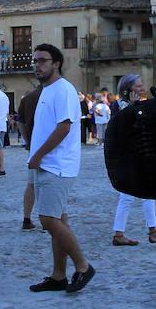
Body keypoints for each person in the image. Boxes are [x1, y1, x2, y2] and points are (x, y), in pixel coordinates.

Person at [27, 44, 95, 294]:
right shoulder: (47, 90)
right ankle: (58, 275)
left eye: (43, 60)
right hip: (47, 164)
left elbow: (64, 127)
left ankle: (83, 266)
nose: (38, 65)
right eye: (35, 61)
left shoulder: (63, 89)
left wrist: (39, 155)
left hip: (57, 165)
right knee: (58, 219)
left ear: (56, 63)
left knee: (48, 219)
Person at [110, 74, 156, 246]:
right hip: (127, 157)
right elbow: (121, 128)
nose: (142, 88)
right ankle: (119, 233)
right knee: (126, 196)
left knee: (148, 195)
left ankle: (153, 230)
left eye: (141, 85)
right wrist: (132, 107)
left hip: (141, 154)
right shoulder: (118, 106)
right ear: (128, 90)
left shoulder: (141, 105)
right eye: (138, 86)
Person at [17, 83, 43, 231]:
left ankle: (27, 219)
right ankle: (48, 220)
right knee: (46, 185)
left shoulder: (28, 97)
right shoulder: (52, 96)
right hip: (51, 148)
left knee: (31, 184)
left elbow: (20, 120)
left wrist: (27, 140)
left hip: (33, 146)